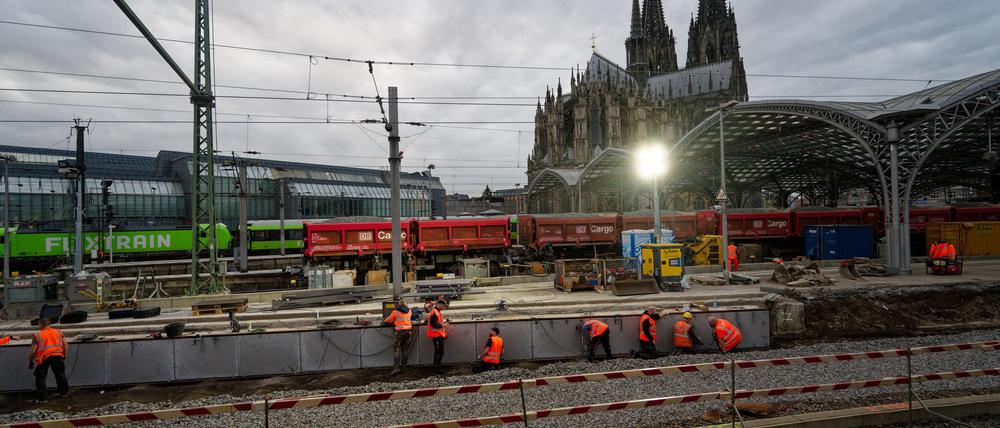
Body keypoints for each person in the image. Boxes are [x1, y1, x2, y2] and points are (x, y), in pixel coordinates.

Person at [30, 318, 68, 403]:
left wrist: (30, 361)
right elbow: (65, 344)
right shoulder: (59, 332)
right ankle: (64, 393)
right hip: (57, 356)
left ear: (41, 324)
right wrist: (65, 355)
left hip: (43, 358)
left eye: (38, 324)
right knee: (60, 374)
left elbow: (33, 350)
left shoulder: (37, 335)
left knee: (40, 378)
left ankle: (42, 399)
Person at [383, 299, 414, 375]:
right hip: (408, 332)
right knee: (405, 349)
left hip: (399, 333)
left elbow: (386, 321)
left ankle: (396, 368)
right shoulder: (409, 311)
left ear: (398, 305)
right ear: (406, 305)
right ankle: (404, 367)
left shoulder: (395, 312)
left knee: (396, 349)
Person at [426, 300, 448, 372]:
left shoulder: (437, 311)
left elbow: (437, 323)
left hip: (438, 334)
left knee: (439, 351)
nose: (444, 308)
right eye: (443, 306)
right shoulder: (434, 312)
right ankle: (436, 368)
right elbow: (434, 324)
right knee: (439, 351)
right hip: (436, 335)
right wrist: (443, 325)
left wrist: (443, 325)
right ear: (439, 304)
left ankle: (436, 367)